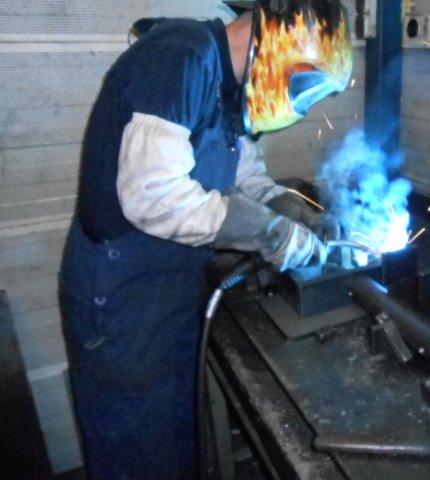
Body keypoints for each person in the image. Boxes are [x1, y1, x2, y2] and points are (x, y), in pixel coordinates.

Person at [59, 1, 352, 478]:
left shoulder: (229, 87)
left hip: (174, 285)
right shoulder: (178, 58)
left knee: (176, 433)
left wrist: (288, 207)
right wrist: (269, 232)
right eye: (304, 83)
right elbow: (153, 196)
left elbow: (244, 176)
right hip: (122, 295)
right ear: (280, 41)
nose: (300, 102)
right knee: (136, 446)